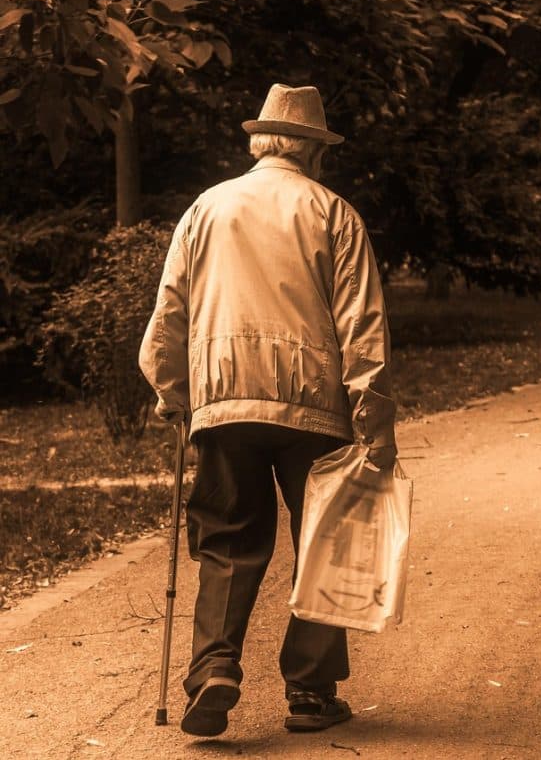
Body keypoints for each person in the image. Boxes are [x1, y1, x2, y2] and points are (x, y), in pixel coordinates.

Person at [139, 83, 397, 738]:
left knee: (228, 540)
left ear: (262, 141)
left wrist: (174, 393)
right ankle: (310, 690)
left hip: (225, 402)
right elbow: (362, 326)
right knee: (326, 539)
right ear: (314, 149)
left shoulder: (207, 208)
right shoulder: (334, 213)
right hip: (317, 409)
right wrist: (374, 423)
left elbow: (170, 313)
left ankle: (214, 668)